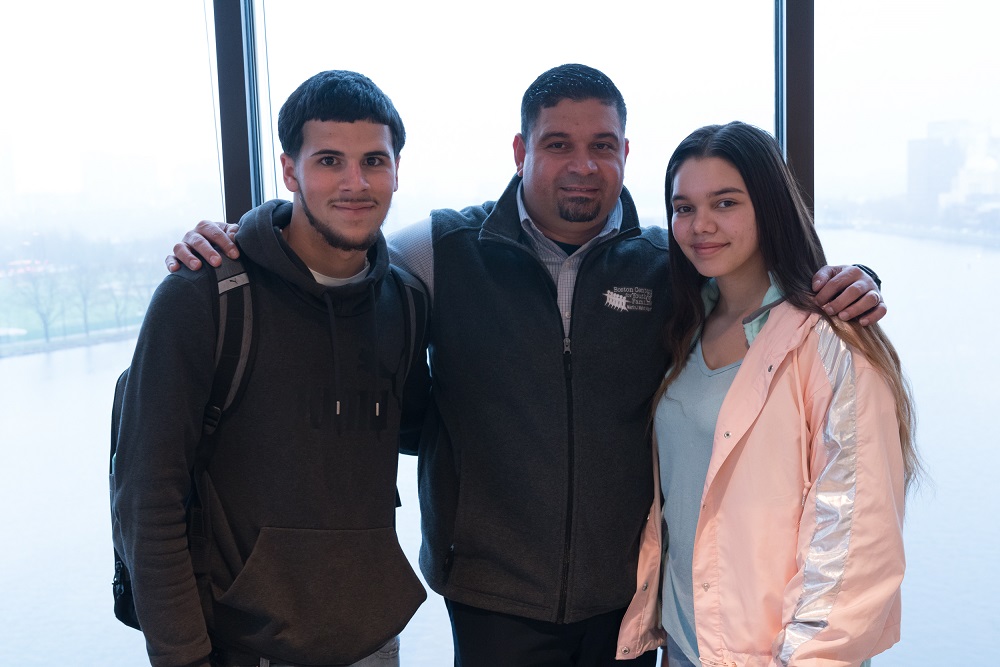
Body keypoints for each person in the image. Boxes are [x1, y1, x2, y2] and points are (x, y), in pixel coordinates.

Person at [167, 65, 886, 666]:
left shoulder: (667, 263)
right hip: (491, 597)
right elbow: (335, 259)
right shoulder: (443, 249)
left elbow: (758, 289)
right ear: (520, 150)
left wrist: (856, 279)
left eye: (602, 145)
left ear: (626, 152)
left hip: (628, 603)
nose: (583, 165)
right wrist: (240, 239)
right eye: (558, 144)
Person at [112, 70, 430, 667]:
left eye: (374, 161)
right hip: (242, 646)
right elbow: (147, 499)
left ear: (396, 170)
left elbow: (419, 426)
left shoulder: (404, 304)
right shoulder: (206, 295)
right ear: (290, 170)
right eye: (329, 160)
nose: (355, 183)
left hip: (371, 642)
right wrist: (183, 657)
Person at [618, 122, 918, 666]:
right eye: (683, 208)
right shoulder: (687, 323)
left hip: (777, 654)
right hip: (686, 644)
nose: (700, 225)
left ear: (771, 206)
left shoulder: (830, 339)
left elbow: (858, 539)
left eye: (725, 203)